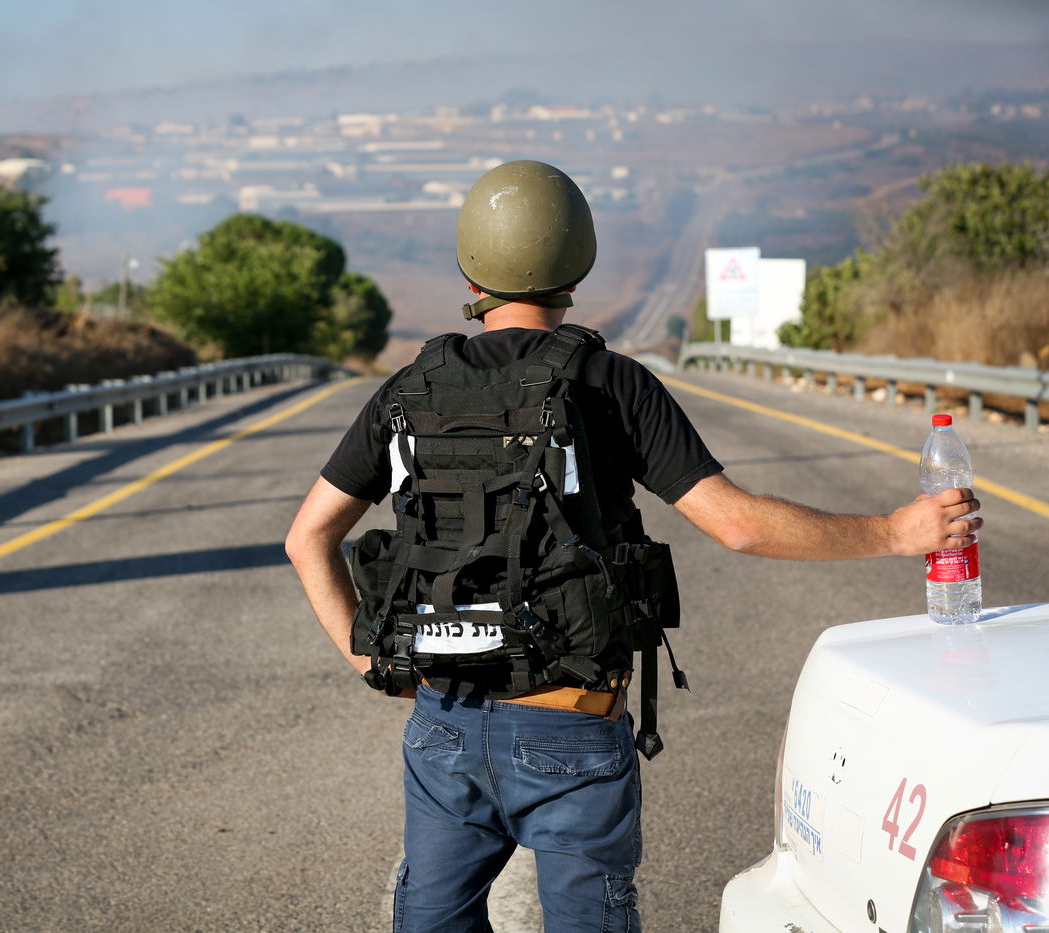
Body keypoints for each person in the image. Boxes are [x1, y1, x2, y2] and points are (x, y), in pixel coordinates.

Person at [284, 160, 981, 933]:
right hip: (570, 723)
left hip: (443, 719)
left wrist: (373, 664)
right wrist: (893, 531)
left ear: (471, 265)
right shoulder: (610, 382)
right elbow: (737, 522)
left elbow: (307, 537)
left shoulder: (409, 389)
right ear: (576, 259)